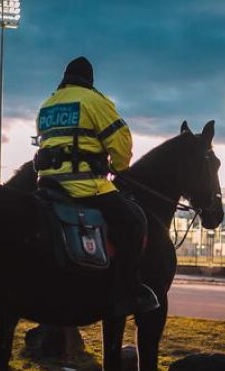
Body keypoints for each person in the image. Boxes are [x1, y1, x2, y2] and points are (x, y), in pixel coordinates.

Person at [34, 56, 159, 316]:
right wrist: (121, 169)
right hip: (84, 187)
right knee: (134, 220)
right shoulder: (94, 101)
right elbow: (121, 140)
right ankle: (127, 291)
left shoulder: (46, 105)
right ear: (89, 81)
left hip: (48, 185)